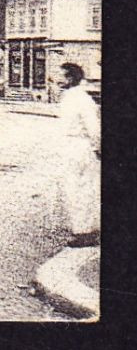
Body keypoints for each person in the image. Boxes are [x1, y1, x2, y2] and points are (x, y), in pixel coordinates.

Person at [56, 62, 100, 247]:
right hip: (70, 146)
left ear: (70, 78)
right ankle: (81, 228)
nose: (56, 79)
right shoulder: (68, 98)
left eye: (60, 76)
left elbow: (94, 128)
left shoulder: (82, 99)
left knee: (82, 189)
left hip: (81, 147)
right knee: (72, 188)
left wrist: (97, 148)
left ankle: (85, 232)